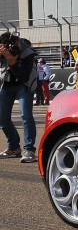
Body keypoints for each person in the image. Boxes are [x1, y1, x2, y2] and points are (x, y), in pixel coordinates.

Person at [0, 32, 38, 163]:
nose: (12, 46)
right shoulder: (3, 51)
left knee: (25, 115)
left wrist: (12, 61)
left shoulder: (28, 53)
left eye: (14, 43)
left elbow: (24, 77)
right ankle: (14, 147)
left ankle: (29, 150)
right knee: (2, 117)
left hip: (24, 85)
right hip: (7, 84)